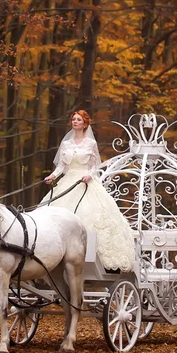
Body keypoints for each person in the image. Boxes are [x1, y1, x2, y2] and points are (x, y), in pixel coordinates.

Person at [43, 110, 135, 272]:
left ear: (85, 124)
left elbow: (94, 166)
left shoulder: (90, 143)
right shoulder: (66, 144)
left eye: (78, 120)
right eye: (73, 119)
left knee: (92, 215)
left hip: (85, 182)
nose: (75, 122)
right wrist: (53, 176)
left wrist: (89, 175)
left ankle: (93, 256)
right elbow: (61, 166)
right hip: (68, 181)